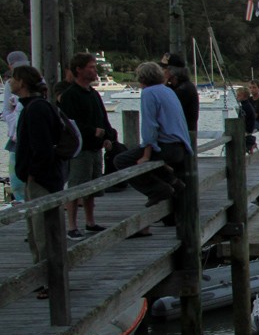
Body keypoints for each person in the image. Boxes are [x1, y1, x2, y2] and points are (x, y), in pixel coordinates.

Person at [114, 62, 192, 228]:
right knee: (148, 163)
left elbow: (150, 126)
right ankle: (171, 181)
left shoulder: (149, 93)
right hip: (179, 146)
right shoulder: (168, 91)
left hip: (166, 146)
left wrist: (146, 155)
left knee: (121, 160)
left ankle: (157, 190)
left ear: (142, 79)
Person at [10, 65, 66, 266]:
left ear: (22, 82)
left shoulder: (36, 108)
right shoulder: (35, 106)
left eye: (13, 79)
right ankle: (41, 275)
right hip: (40, 177)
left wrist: (33, 173)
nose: (10, 82)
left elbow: (41, 147)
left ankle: (49, 279)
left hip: (41, 180)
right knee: (35, 230)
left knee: (43, 232)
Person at [59, 52, 115, 240]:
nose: (94, 70)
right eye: (91, 67)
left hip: (95, 148)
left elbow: (103, 118)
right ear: (79, 69)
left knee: (92, 187)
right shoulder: (70, 95)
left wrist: (108, 136)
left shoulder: (94, 94)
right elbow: (68, 122)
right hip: (79, 149)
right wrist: (92, 131)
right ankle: (72, 225)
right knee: (76, 187)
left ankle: (90, 221)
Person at [2, 50, 29, 204]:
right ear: (10, 66)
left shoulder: (38, 82)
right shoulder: (9, 85)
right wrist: (14, 119)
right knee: (17, 179)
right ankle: (20, 203)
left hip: (30, 137)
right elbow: (5, 111)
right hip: (16, 139)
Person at [161, 53, 199, 134]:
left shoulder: (185, 89)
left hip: (183, 137)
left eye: (164, 68)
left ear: (171, 71)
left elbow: (164, 106)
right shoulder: (174, 87)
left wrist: (163, 82)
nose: (161, 71)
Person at [236, 86, 258, 153]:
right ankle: (251, 144)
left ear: (245, 96)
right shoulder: (248, 105)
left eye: (239, 95)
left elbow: (242, 121)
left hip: (247, 130)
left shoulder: (245, 107)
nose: (237, 97)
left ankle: (250, 144)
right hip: (249, 128)